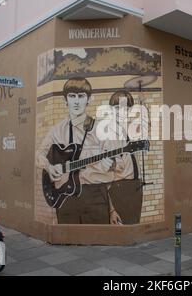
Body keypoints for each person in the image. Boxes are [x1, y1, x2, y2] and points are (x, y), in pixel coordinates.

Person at [36, 78, 122, 224]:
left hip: (96, 197)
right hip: (65, 198)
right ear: (65, 100)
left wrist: (112, 209)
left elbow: (118, 166)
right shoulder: (56, 131)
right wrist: (49, 168)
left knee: (97, 239)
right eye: (72, 96)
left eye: (81, 96)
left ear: (88, 99)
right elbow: (38, 155)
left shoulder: (102, 129)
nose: (76, 101)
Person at [104, 90, 144, 225]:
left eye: (125, 109)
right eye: (117, 109)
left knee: (133, 226)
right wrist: (111, 209)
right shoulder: (109, 137)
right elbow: (104, 177)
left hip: (134, 188)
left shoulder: (127, 132)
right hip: (119, 191)